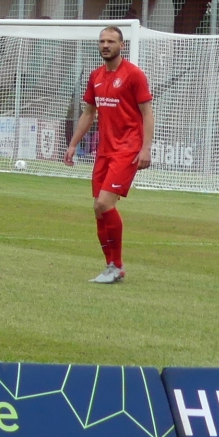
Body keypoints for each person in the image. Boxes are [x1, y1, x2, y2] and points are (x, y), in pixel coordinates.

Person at [65, 25, 154, 285]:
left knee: (104, 204)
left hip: (128, 148)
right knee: (98, 209)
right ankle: (111, 267)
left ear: (121, 45)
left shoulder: (134, 75)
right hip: (104, 150)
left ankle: (117, 266)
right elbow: (88, 113)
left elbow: (147, 113)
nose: (105, 45)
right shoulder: (96, 76)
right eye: (102, 41)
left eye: (111, 41)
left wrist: (146, 148)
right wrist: (73, 144)